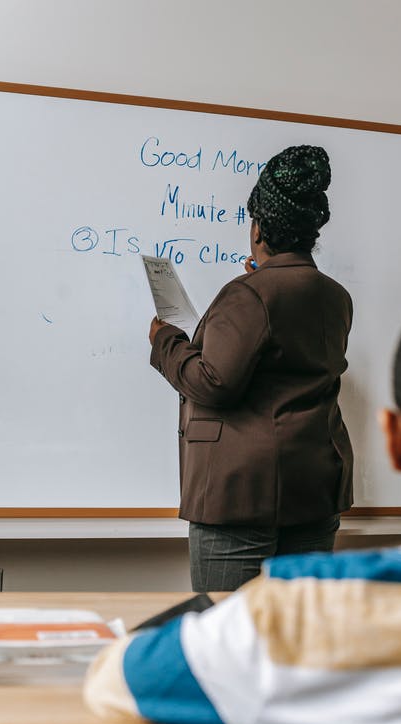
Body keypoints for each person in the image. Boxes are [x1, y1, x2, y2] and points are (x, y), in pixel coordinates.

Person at [85, 282, 401, 724]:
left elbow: (111, 678)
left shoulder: (286, 618)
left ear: (397, 440)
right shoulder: (334, 297)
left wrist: (168, 339)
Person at [149, 144, 354, 592]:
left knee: (225, 637)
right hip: (315, 490)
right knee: (297, 638)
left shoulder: (249, 294)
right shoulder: (335, 296)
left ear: (259, 228)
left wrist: (165, 341)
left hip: (241, 496)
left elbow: (214, 381)